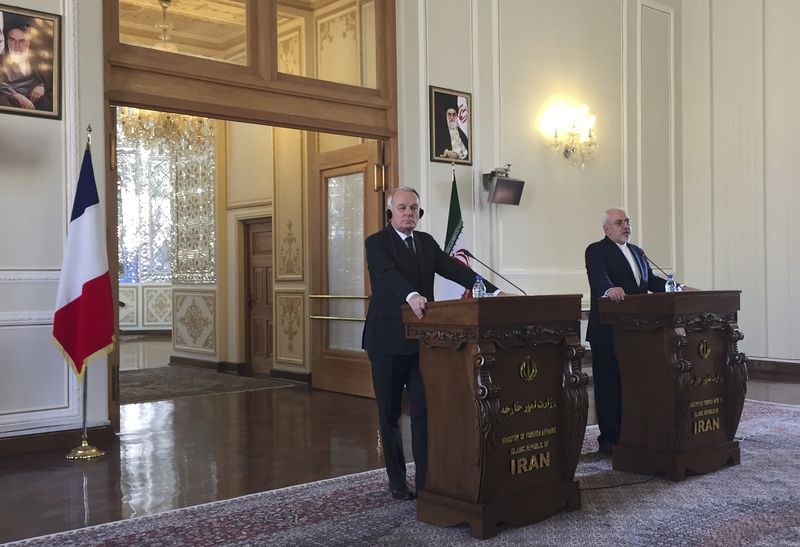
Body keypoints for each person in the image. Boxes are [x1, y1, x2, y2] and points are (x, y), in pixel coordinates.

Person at [362, 187, 497, 500]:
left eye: (413, 208)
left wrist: (492, 291)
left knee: (425, 412)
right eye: (402, 208)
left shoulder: (426, 243)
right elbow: (387, 275)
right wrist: (411, 296)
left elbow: (454, 270)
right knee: (390, 414)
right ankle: (397, 480)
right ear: (391, 212)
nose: (408, 213)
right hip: (386, 342)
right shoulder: (377, 243)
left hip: (423, 342)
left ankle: (426, 479)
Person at [584, 208, 668, 455]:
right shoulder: (596, 250)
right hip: (608, 330)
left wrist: (678, 287)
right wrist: (609, 290)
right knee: (608, 385)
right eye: (619, 222)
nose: (625, 226)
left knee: (633, 383)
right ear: (607, 228)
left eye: (627, 222)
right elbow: (598, 277)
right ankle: (609, 438)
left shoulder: (638, 252)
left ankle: (633, 431)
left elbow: (652, 283)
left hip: (637, 332)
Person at [0, 21, 53, 111]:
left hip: (37, 101)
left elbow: (54, 78)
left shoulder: (38, 60)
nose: (17, 46)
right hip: (10, 100)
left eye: (22, 41)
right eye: (12, 40)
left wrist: (42, 86)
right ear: (7, 41)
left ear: (28, 43)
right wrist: (17, 96)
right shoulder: (1, 59)